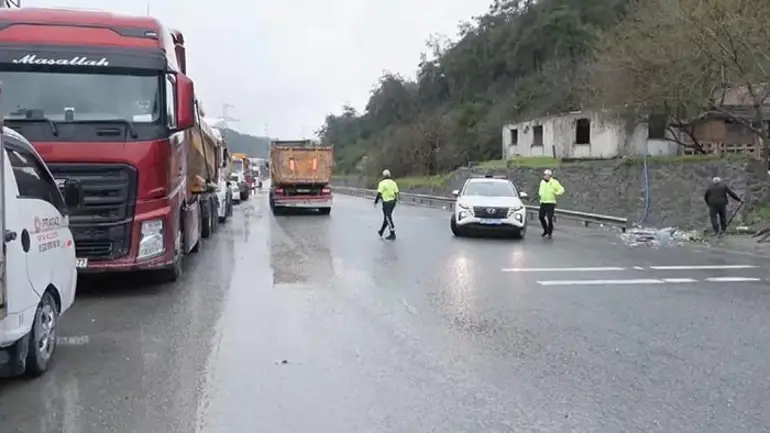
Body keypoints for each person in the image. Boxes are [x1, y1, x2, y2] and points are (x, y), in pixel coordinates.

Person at [537, 169, 565, 239]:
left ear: (549, 176)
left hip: (551, 203)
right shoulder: (542, 182)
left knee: (549, 218)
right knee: (541, 217)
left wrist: (556, 193)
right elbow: (540, 190)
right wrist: (540, 194)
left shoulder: (554, 182)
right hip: (543, 202)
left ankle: (550, 232)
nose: (544, 176)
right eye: (544, 175)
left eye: (546, 175)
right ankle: (545, 230)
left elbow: (561, 189)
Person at [374, 169, 399, 240]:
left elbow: (379, 193)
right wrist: (396, 201)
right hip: (393, 201)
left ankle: (392, 233)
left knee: (388, 217)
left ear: (383, 175)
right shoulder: (393, 182)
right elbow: (396, 192)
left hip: (386, 202)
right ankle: (381, 231)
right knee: (386, 217)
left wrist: (376, 201)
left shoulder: (382, 183)